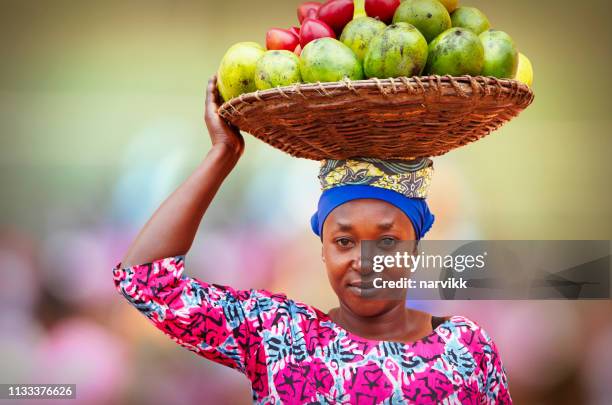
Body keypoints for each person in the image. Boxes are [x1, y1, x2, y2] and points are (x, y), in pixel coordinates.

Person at [113, 76, 512, 404]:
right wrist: (222, 154)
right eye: (344, 242)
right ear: (321, 249)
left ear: (416, 247)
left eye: (388, 241)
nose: (365, 259)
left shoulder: (465, 349)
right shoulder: (280, 337)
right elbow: (146, 281)